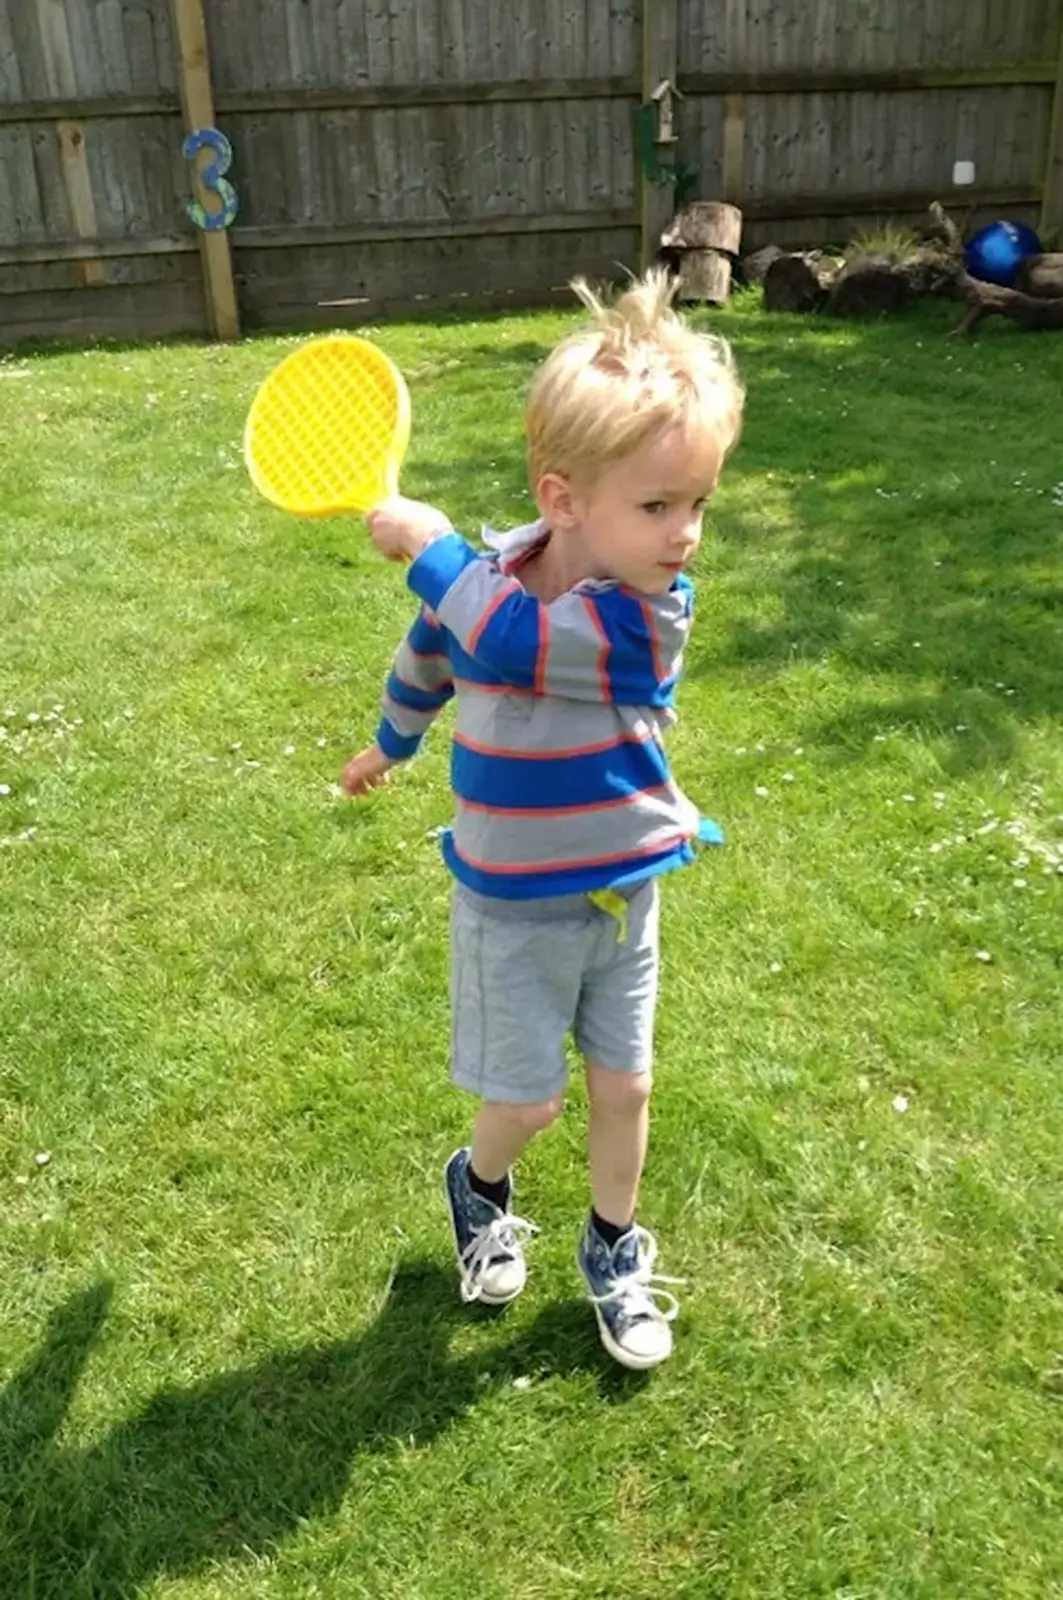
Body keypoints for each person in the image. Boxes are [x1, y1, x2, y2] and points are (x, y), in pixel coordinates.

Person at [340, 271, 744, 1369]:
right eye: (658, 506)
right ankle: (478, 1188)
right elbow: (436, 648)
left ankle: (611, 1249)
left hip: (621, 894)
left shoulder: (649, 615)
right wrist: (393, 740)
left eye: (697, 503)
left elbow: (513, 642)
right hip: (509, 904)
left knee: (627, 1083)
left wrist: (428, 546)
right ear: (563, 499)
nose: (686, 534)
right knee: (526, 1104)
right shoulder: (483, 582)